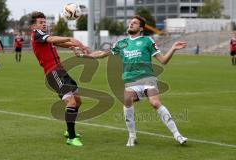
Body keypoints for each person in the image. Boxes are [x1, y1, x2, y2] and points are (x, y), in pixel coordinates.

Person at [72, 15, 187, 147]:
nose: (131, 24)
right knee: (127, 101)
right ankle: (132, 136)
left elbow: (163, 61)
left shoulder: (147, 41)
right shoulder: (122, 43)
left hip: (147, 78)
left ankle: (177, 135)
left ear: (141, 28)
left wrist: (173, 48)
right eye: (130, 23)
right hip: (130, 81)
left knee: (155, 103)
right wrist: (81, 55)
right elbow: (101, 54)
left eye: (134, 23)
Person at [30, 11, 89, 147]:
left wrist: (77, 46)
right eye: (41, 22)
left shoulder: (44, 37)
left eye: (45, 22)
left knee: (78, 101)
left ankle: (69, 131)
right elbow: (53, 39)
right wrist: (70, 39)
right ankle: (71, 137)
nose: (44, 24)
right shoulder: (37, 34)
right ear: (34, 26)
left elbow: (62, 43)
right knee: (71, 102)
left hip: (61, 71)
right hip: (53, 73)